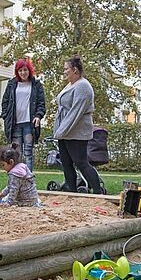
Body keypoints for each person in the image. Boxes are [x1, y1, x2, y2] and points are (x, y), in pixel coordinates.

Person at [53, 56, 102, 194]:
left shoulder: (83, 86)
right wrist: (60, 131)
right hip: (65, 131)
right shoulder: (70, 85)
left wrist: (61, 131)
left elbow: (76, 112)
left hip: (76, 131)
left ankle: (98, 192)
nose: (64, 72)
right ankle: (72, 192)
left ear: (75, 70)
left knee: (81, 163)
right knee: (66, 164)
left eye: (66, 69)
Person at [1, 58, 46, 172]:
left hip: (29, 124)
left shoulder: (36, 85)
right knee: (16, 153)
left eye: (25, 70)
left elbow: (41, 103)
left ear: (29, 70)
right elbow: (5, 101)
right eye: (20, 70)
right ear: (17, 71)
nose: (23, 73)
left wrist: (38, 116)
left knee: (28, 152)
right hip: (14, 124)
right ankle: (18, 177)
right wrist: (6, 115)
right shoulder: (11, 84)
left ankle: (29, 178)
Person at [0, 143, 40, 207]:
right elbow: (10, 186)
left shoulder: (15, 175)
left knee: (4, 201)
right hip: (33, 199)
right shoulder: (22, 167)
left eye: (3, 165)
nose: (3, 168)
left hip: (25, 202)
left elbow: (14, 190)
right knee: (5, 198)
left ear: (11, 162)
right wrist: (4, 192)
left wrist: (9, 202)